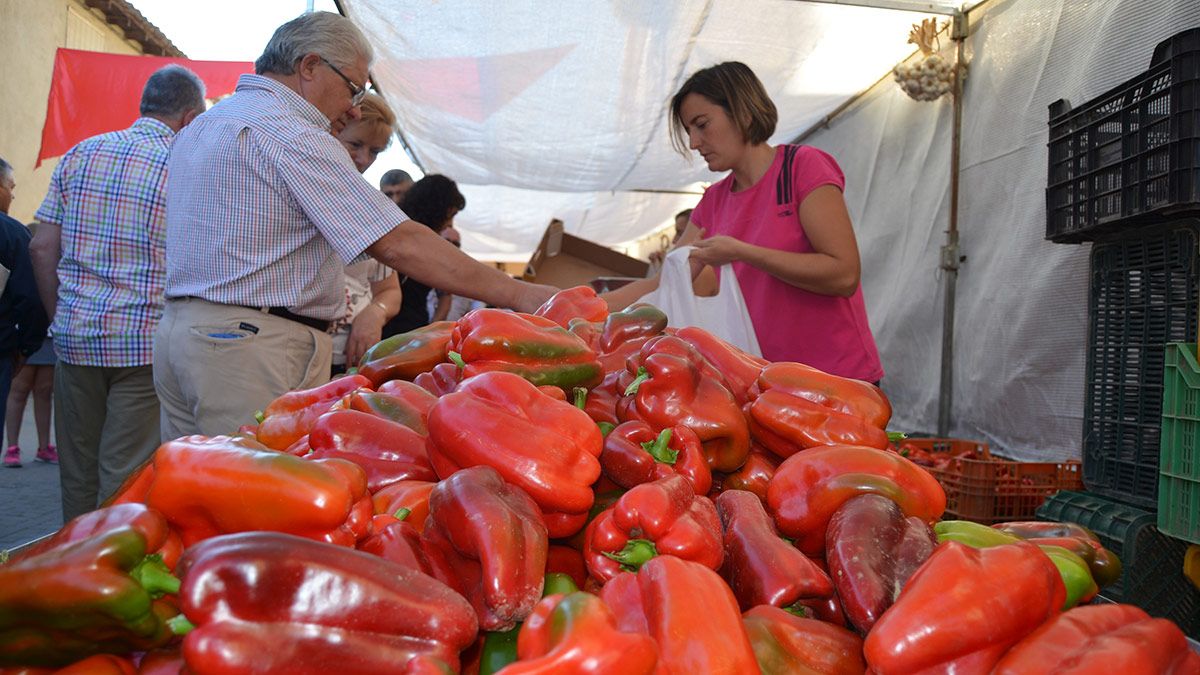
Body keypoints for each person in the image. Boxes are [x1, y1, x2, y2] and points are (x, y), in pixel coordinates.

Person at [154, 11, 554, 439]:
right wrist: (519, 292)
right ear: (309, 67)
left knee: (191, 489)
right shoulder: (292, 133)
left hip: (184, 333)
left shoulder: (208, 124)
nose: (353, 106)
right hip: (250, 347)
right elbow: (399, 243)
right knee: (251, 489)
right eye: (353, 87)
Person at [607, 61, 882, 382]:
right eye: (689, 131)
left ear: (743, 112)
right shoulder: (713, 201)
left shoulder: (800, 168)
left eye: (702, 124)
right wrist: (584, 306)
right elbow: (664, 281)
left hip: (838, 379)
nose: (694, 143)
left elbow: (843, 274)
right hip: (767, 381)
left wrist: (742, 252)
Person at [29, 65, 207, 518]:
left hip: (75, 337)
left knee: (77, 470)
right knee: (125, 472)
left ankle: (70, 568)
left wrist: (60, 317)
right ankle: (108, 571)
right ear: (189, 117)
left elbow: (42, 245)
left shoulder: (80, 153)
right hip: (143, 344)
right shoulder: (186, 163)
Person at [331, 92, 401, 375]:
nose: (364, 159)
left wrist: (376, 312)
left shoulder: (374, 207)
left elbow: (390, 290)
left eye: (375, 151)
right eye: (355, 144)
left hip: (351, 361)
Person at [1, 157, 49, 468]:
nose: (14, 195)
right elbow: (31, 301)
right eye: (11, 187)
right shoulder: (12, 235)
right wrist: (26, 347)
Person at [380, 174, 466, 338]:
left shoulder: (406, 236)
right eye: (451, 214)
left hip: (407, 329)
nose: (450, 223)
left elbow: (445, 295)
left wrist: (429, 332)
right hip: (392, 329)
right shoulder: (405, 237)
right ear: (438, 209)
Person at [429, 227, 484, 323]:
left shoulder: (466, 278)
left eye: (455, 244)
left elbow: (478, 307)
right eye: (447, 241)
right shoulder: (422, 270)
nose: (451, 246)